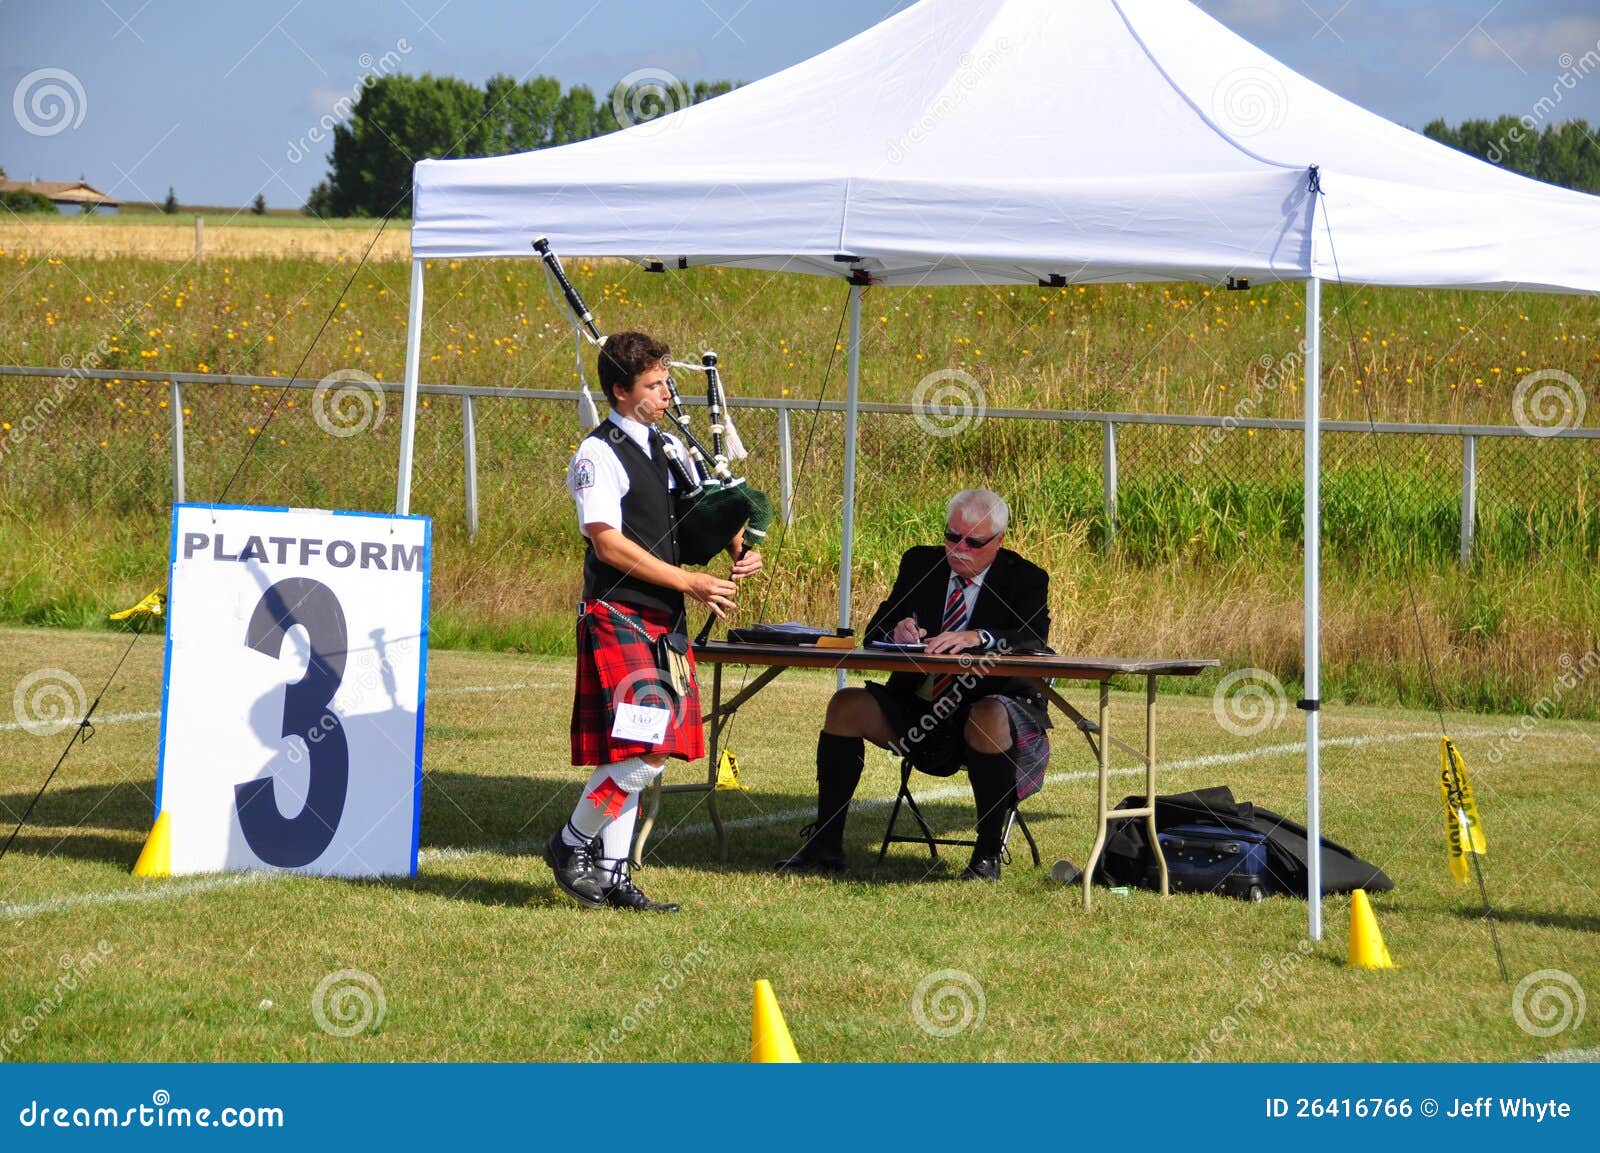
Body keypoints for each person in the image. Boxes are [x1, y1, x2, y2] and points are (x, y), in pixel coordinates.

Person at [546, 331, 762, 912]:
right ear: (620, 391)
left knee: (633, 749)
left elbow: (694, 521)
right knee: (647, 749)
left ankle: (613, 874)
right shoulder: (597, 454)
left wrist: (737, 542)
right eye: (654, 384)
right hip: (620, 613)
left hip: (662, 619)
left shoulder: (665, 449)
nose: (668, 393)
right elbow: (609, 544)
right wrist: (688, 582)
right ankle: (570, 845)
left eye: (668, 381)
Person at [775, 488, 1050, 881]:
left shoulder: (1025, 578)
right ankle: (825, 845)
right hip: (918, 711)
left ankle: (987, 855)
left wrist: (979, 637)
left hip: (985, 710)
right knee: (845, 705)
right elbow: (876, 629)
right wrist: (898, 629)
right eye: (952, 537)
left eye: (973, 542)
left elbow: (1034, 637)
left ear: (999, 541)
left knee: (988, 713)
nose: (959, 549)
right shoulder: (920, 563)